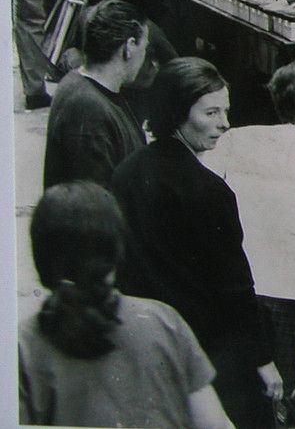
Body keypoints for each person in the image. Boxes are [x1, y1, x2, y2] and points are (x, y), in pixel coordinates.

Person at [112, 58, 283, 427]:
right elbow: (235, 286)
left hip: (141, 341)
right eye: (211, 112)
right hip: (205, 351)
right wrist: (263, 360)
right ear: (177, 112)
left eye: (226, 111)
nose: (225, 123)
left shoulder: (128, 171)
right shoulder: (208, 191)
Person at [19, 181, 231, 429]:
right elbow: (215, 425)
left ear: (41, 258)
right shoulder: (165, 322)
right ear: (116, 252)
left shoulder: (24, 345)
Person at [201, 61, 295, 396]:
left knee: (226, 388)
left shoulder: (234, 140)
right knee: (273, 395)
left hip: (230, 283)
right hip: (288, 292)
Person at [44, 0, 148, 191]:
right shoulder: (88, 109)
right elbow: (95, 203)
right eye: (145, 47)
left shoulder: (78, 83)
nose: (145, 57)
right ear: (129, 46)